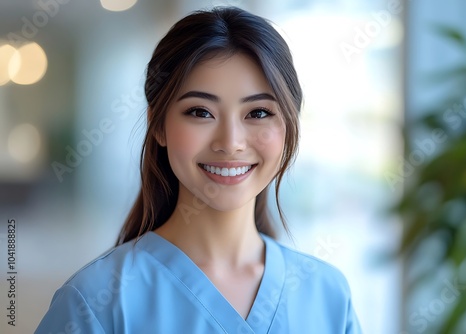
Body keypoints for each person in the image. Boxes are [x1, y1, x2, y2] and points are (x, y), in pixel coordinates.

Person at [35, 6, 362, 333]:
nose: (231, 142)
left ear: (289, 125)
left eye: (259, 113)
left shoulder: (329, 295)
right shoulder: (94, 303)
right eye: (200, 112)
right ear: (158, 125)